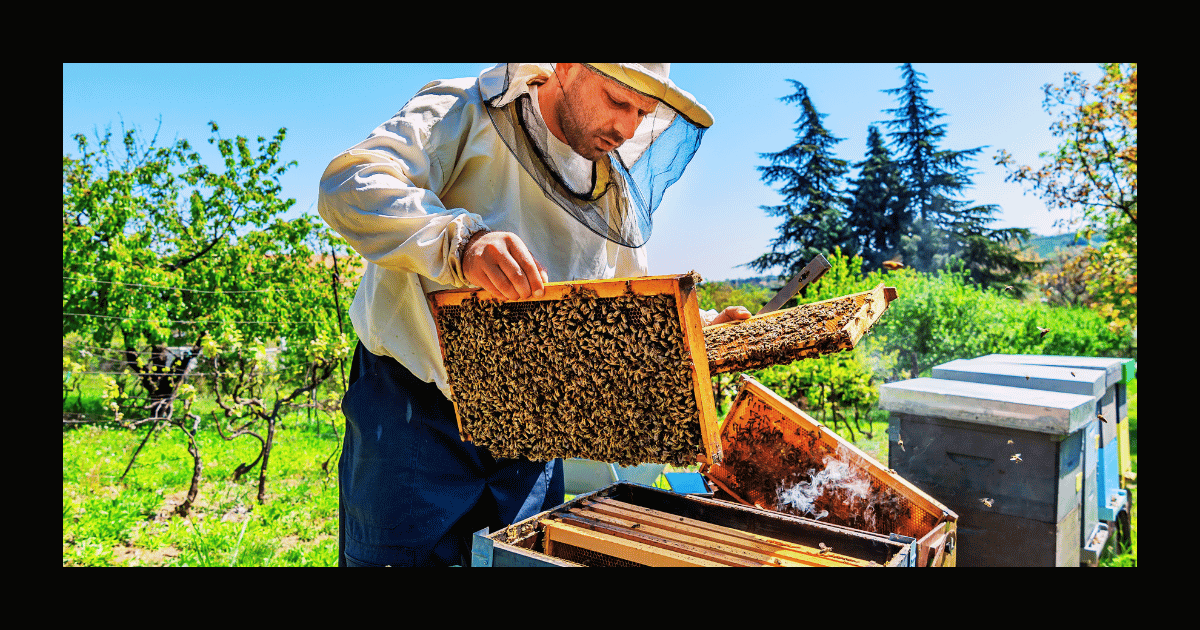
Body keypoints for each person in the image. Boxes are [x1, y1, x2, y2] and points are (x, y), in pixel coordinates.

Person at [319, 63, 749, 567]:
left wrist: (687, 336)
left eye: (643, 113)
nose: (629, 128)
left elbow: (628, 306)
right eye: (617, 101)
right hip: (415, 415)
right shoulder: (465, 109)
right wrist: (461, 243)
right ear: (565, 67)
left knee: (525, 562)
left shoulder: (611, 191)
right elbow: (351, 183)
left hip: (534, 432)